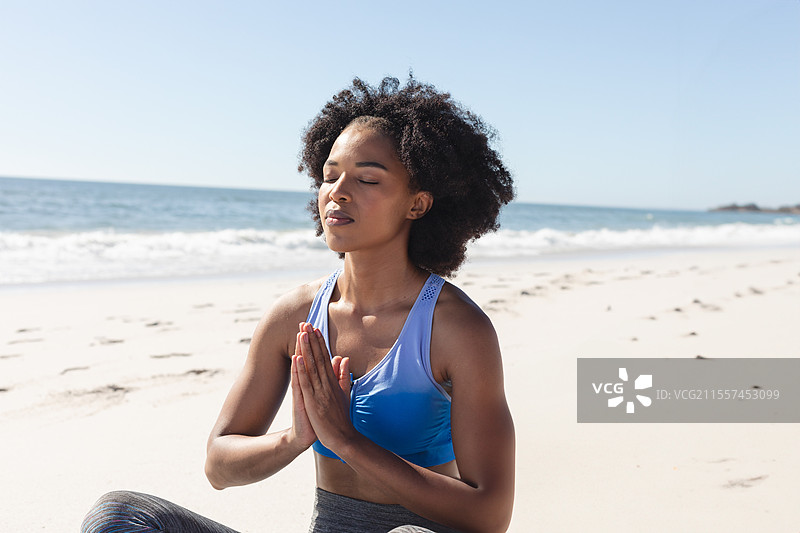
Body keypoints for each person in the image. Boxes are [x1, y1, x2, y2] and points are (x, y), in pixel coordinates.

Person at [81, 76, 516, 533]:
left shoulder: (457, 330)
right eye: (329, 177)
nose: (338, 192)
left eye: (367, 179)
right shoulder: (294, 317)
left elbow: (489, 515)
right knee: (120, 514)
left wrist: (347, 441)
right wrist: (295, 439)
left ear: (417, 204)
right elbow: (219, 465)